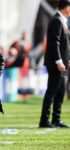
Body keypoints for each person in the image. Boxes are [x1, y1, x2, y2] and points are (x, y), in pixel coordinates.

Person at [39, 0, 70, 128]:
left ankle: (56, 119)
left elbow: (63, 44)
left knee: (61, 91)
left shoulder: (61, 20)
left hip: (61, 62)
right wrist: (59, 61)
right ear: (67, 8)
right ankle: (44, 121)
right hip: (55, 63)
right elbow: (54, 43)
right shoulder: (57, 20)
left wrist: (66, 58)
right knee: (52, 91)